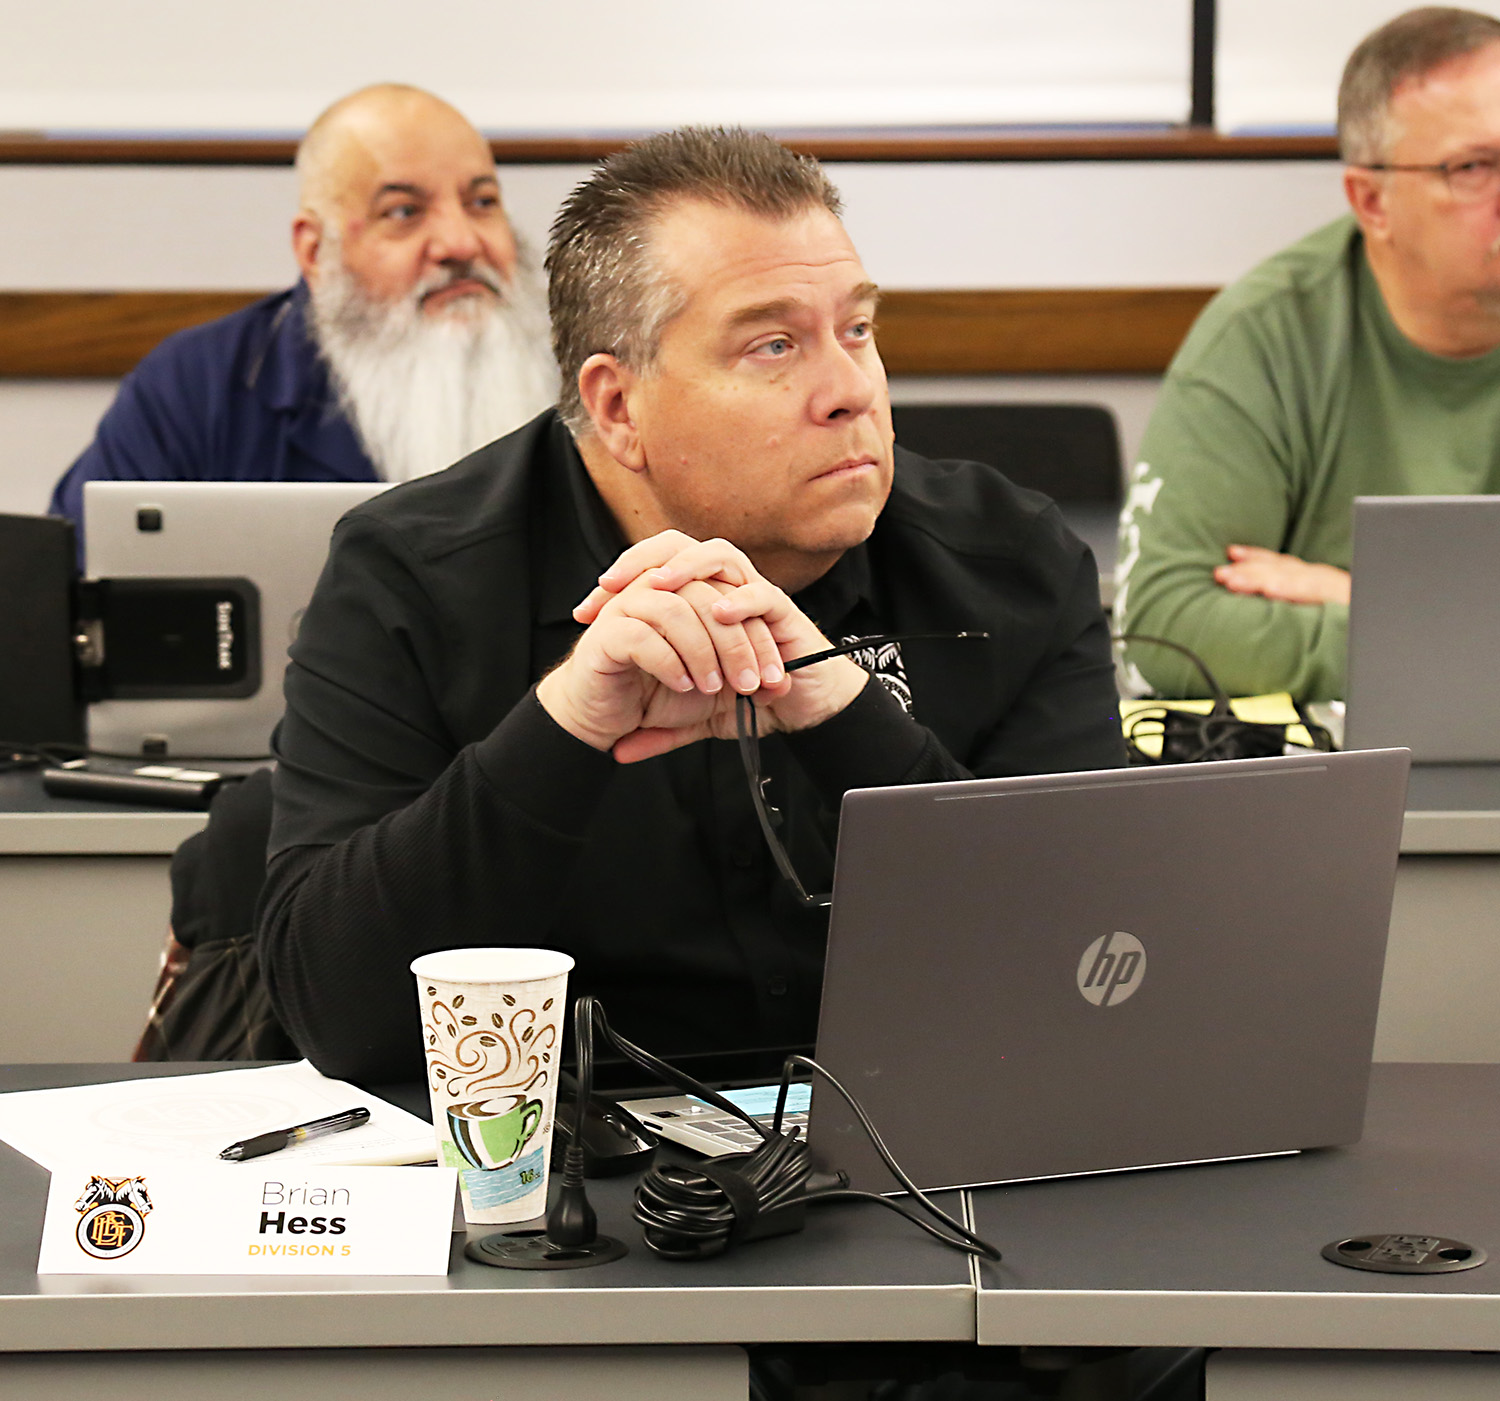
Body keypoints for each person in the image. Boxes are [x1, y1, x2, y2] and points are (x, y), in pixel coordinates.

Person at [257, 126, 1126, 1088]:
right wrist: (563, 726)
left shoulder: (1009, 562)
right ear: (618, 407)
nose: (851, 390)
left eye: (858, 329)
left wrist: (845, 718)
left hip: (923, 1130)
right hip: (568, 1150)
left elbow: (1099, 966)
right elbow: (339, 1019)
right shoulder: (414, 578)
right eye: (774, 345)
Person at [1117, 7, 1500, 702]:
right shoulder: (1264, 339)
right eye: (1474, 167)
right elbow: (1163, 631)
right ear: (1372, 201)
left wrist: (1365, 600)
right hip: (1355, 761)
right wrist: (1448, 635)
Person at [49, 83, 555, 553]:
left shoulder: (583, 370)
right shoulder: (198, 388)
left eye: (482, 202)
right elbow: (69, 585)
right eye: (403, 212)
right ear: (316, 252)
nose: (461, 243)